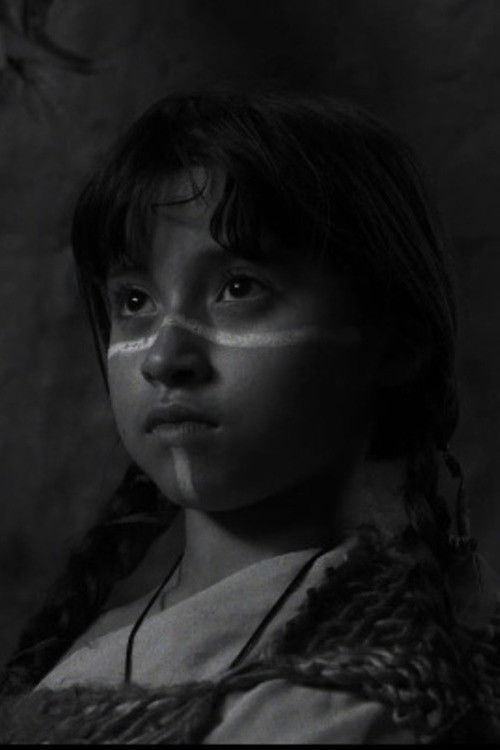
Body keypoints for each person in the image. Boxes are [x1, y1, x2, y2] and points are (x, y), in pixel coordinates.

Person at [0, 91, 499, 743]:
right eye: (134, 300)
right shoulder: (92, 651)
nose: (165, 358)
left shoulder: (368, 701)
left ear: (397, 339)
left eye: (239, 288)